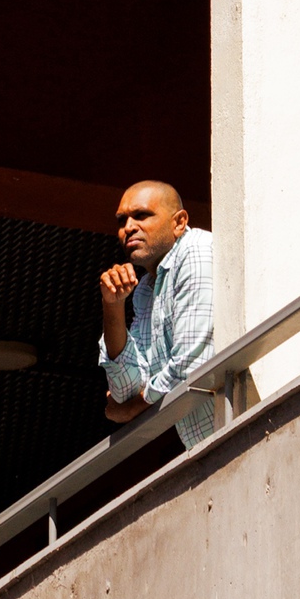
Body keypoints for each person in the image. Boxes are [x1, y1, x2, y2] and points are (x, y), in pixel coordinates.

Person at [98, 180, 219, 449]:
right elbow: (125, 391)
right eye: (122, 220)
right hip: (206, 449)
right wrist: (113, 305)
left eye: (141, 215)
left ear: (179, 222)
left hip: (243, 434)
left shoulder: (196, 251)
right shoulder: (145, 289)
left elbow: (192, 365)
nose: (128, 227)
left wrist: (132, 409)